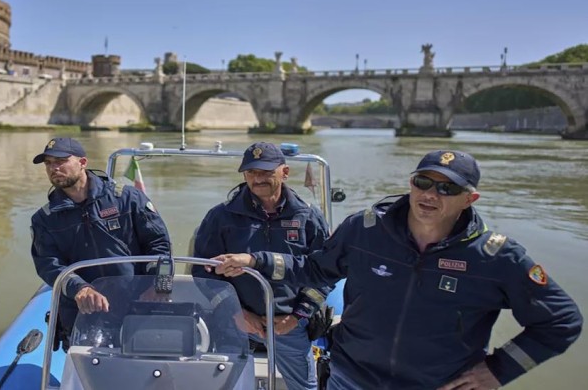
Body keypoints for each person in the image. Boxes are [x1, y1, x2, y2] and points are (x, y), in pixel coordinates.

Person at [212, 150, 583, 390]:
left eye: (447, 188)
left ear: (470, 199)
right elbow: (314, 269)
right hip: (350, 379)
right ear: (411, 183)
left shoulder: (496, 257)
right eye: (423, 182)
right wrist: (254, 261)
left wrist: (499, 370)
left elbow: (561, 321)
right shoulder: (364, 230)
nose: (430, 194)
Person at [192, 141, 333, 390]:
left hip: (288, 323)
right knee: (224, 385)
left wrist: (298, 315)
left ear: (284, 172)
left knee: (306, 388)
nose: (258, 179)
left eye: (266, 172)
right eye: (251, 173)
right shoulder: (220, 217)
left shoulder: (308, 218)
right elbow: (202, 273)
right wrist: (236, 313)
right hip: (235, 321)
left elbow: (325, 273)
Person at [30, 137, 172, 350]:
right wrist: (80, 288)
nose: (54, 168)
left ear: (83, 162)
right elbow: (49, 265)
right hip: (84, 310)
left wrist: (159, 285)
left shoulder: (126, 198)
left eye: (61, 161)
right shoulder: (44, 219)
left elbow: (158, 243)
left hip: (137, 302)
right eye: (48, 163)